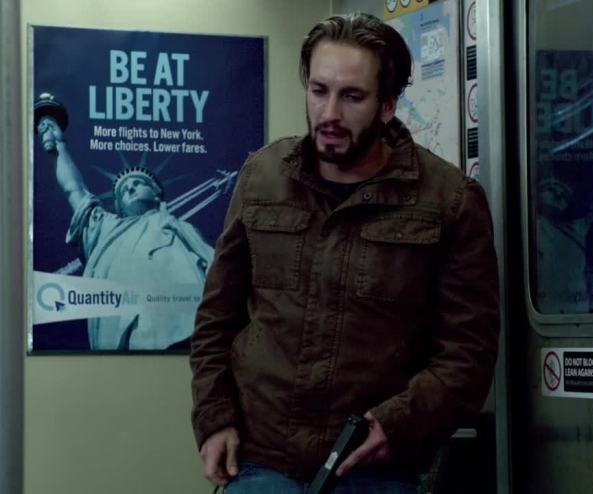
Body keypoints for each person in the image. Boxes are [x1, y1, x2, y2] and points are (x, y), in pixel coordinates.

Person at [190, 13, 499, 493]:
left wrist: (397, 423)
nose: (329, 113)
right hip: (263, 458)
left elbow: (469, 352)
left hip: (378, 464)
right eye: (319, 91)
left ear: (388, 105)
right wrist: (214, 418)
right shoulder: (262, 176)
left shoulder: (449, 200)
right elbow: (216, 318)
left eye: (352, 96)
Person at [35, 93, 215, 350]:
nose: (130, 188)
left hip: (195, 332)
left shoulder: (182, 229)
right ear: (118, 206)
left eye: (138, 183)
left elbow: (216, 272)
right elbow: (74, 189)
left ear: (156, 193)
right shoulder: (105, 229)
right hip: (129, 337)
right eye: (123, 190)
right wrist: (59, 144)